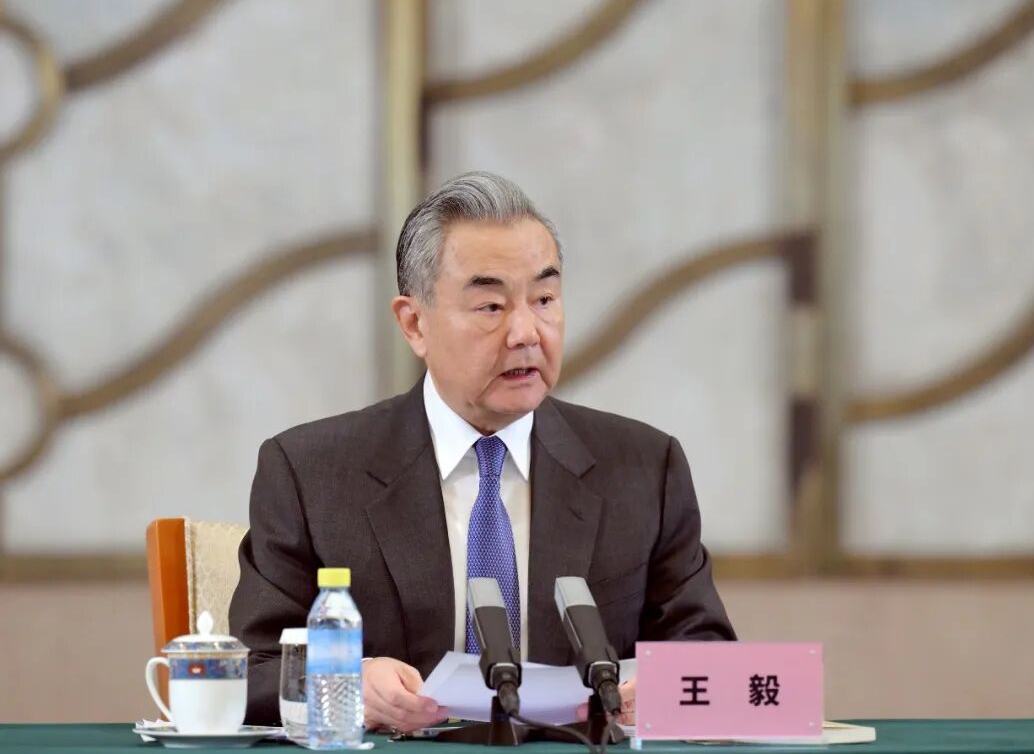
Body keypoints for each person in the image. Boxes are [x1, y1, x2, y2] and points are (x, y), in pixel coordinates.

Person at [229, 171, 736, 731]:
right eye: (491, 306)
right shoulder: (311, 473)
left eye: (544, 299)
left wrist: (662, 690)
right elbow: (253, 670)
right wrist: (347, 681)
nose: (526, 332)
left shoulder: (644, 467)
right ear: (414, 324)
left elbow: (708, 655)